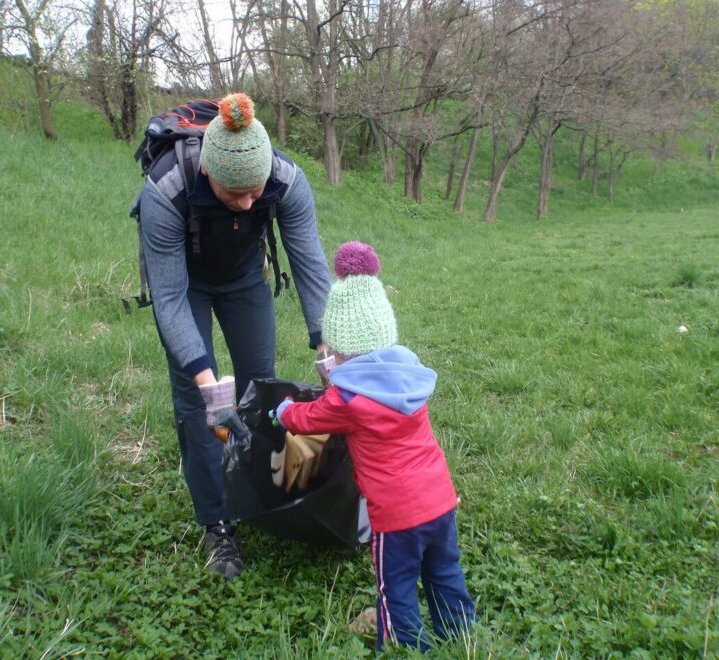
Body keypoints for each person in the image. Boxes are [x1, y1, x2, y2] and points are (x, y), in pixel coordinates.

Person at [136, 93, 331, 579]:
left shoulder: (286, 182)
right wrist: (206, 381)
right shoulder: (165, 190)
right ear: (208, 174)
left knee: (258, 386)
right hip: (188, 285)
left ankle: (259, 492)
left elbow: (310, 267)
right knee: (197, 403)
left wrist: (329, 349)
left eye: (254, 191)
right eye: (234, 193)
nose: (247, 202)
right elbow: (170, 299)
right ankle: (218, 524)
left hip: (246, 278)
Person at [273, 241, 475, 650]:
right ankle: (460, 636)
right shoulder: (410, 376)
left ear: (341, 350)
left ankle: (406, 646)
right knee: (444, 570)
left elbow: (306, 419)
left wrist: (281, 410)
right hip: (440, 500)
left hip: (396, 515)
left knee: (395, 584)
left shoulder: (345, 399)